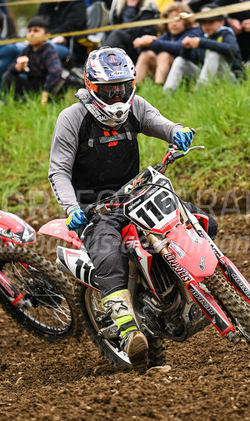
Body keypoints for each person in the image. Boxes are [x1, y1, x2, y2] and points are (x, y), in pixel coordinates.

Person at [48, 47, 217, 368]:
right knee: (109, 256)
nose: (116, 96)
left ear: (131, 84)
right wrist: (71, 208)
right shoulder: (72, 118)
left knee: (202, 221)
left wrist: (177, 131)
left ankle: (188, 286)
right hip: (96, 207)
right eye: (108, 90)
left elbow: (158, 122)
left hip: (138, 193)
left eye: (122, 87)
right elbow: (58, 171)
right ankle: (128, 332)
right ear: (91, 86)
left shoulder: (136, 106)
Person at [163, 4, 243, 93]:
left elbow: (232, 49)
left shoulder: (226, 33)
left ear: (221, 22)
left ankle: (199, 91)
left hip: (229, 78)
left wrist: (202, 43)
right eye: (204, 22)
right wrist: (187, 48)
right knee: (180, 60)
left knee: (213, 53)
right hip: (208, 76)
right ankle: (167, 93)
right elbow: (192, 59)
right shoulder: (202, 36)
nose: (207, 26)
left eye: (211, 22)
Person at [133, 2, 201, 84]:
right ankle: (135, 86)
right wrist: (143, 44)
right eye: (171, 20)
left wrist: (151, 43)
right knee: (146, 54)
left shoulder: (194, 31)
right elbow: (151, 47)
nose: (174, 24)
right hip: (169, 72)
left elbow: (178, 47)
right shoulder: (167, 35)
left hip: (188, 72)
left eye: (178, 20)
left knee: (164, 55)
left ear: (186, 21)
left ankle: (159, 86)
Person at [2, 16, 63, 105]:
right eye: (29, 31)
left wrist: (46, 91)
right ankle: (14, 103)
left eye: (36, 31)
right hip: (32, 85)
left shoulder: (49, 52)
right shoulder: (27, 50)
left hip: (46, 87)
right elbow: (11, 66)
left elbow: (55, 72)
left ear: (46, 36)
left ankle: (47, 102)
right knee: (8, 76)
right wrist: (18, 67)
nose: (31, 34)